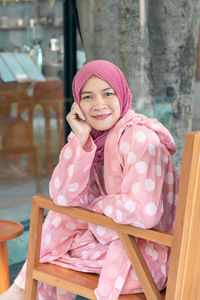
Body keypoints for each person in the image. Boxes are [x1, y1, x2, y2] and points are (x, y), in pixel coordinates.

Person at [0, 60, 179, 300]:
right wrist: (81, 139)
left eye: (108, 93)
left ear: (123, 94)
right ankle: (20, 292)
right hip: (121, 242)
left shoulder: (138, 137)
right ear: (77, 103)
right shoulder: (95, 139)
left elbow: (144, 213)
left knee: (53, 251)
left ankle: (19, 292)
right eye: (88, 97)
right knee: (60, 218)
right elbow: (63, 196)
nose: (99, 104)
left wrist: (98, 206)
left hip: (149, 258)